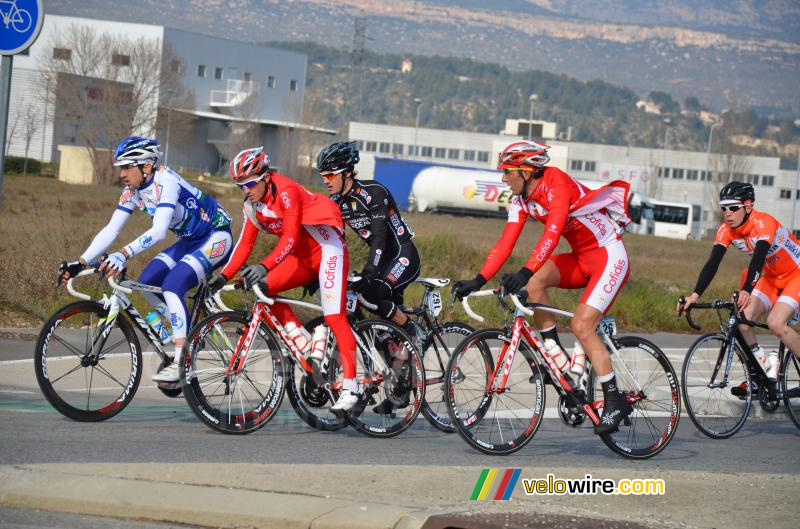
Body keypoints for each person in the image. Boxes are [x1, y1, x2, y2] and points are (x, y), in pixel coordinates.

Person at [452, 140, 633, 435]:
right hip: (581, 258)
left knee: (581, 325)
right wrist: (478, 279)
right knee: (536, 283)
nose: (503, 178)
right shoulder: (521, 199)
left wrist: (523, 271)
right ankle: (555, 355)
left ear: (526, 171)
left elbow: (552, 233)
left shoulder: (557, 183)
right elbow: (505, 243)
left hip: (609, 255)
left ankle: (615, 399)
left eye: (507, 171)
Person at [59, 136, 233, 382]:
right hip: (190, 240)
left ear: (147, 166)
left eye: (127, 167)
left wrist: (124, 253)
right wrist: (82, 261)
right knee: (147, 283)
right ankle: (182, 333)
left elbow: (160, 231)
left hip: (216, 236)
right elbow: (112, 229)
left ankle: (181, 360)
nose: (121, 173)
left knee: (172, 286)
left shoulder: (167, 182)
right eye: (121, 167)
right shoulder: (132, 191)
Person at [207, 147, 359, 412]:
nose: (246, 190)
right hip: (301, 257)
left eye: (250, 183)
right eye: (240, 185)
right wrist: (223, 275)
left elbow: (289, 236)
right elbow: (245, 243)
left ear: (265, 176)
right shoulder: (251, 205)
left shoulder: (286, 191)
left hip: (327, 250)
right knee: (263, 289)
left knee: (335, 317)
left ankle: (351, 386)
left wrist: (265, 265)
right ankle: (304, 339)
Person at [316, 140, 425, 414]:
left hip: (402, 255)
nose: (326, 181)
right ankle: (399, 389)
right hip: (382, 263)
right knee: (380, 334)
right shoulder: (336, 203)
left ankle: (415, 331)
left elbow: (380, 237)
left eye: (330, 175)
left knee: (373, 293)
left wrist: (369, 272)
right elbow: (333, 242)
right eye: (323, 176)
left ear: (347, 173)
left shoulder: (374, 192)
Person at [678, 181, 800, 391]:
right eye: (724, 208)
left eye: (733, 208)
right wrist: (694, 295)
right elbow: (713, 262)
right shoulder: (726, 230)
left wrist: (746, 290)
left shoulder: (764, 223)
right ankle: (760, 372)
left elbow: (758, 258)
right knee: (743, 322)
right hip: (771, 277)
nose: (728, 213)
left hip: (796, 274)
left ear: (748, 206)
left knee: (776, 323)